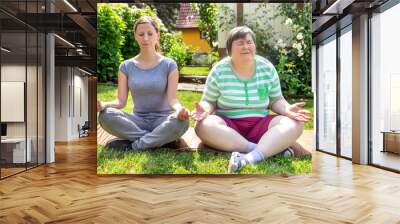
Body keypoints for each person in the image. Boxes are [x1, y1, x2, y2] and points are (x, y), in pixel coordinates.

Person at [192, 26, 311, 173]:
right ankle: (266, 149)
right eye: (240, 43)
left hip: (260, 126)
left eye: (249, 42)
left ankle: (250, 158)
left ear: (255, 46)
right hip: (229, 128)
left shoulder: (267, 68)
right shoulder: (219, 71)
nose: (246, 46)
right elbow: (209, 101)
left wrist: (287, 109)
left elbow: (275, 100)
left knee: (295, 123)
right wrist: (204, 109)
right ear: (230, 50)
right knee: (203, 126)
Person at [98, 16, 189, 150]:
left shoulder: (169, 65)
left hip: (163, 121)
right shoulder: (125, 66)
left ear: (157, 35)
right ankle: (158, 140)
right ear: (135, 36)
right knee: (105, 116)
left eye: (150, 33)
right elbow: (121, 101)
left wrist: (179, 110)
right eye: (141, 34)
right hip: (138, 122)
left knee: (182, 123)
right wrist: (104, 104)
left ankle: (135, 146)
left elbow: (172, 99)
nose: (145, 38)